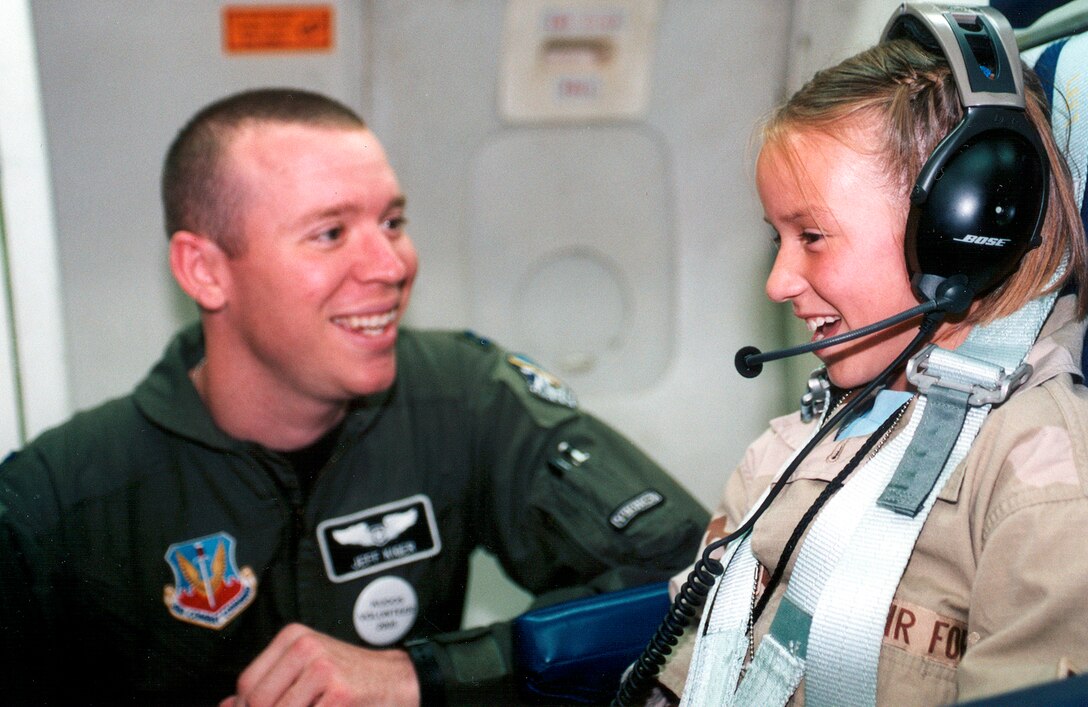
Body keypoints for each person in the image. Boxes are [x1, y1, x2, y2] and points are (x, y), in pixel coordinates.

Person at [0, 87, 709, 705]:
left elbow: (703, 578)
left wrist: (424, 676)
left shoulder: (462, 395)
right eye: (331, 232)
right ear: (205, 271)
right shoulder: (56, 501)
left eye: (392, 222)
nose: (391, 265)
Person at [635, 5, 1088, 706]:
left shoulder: (1041, 477)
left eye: (811, 237)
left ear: (957, 230)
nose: (778, 283)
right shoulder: (790, 445)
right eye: (778, 238)